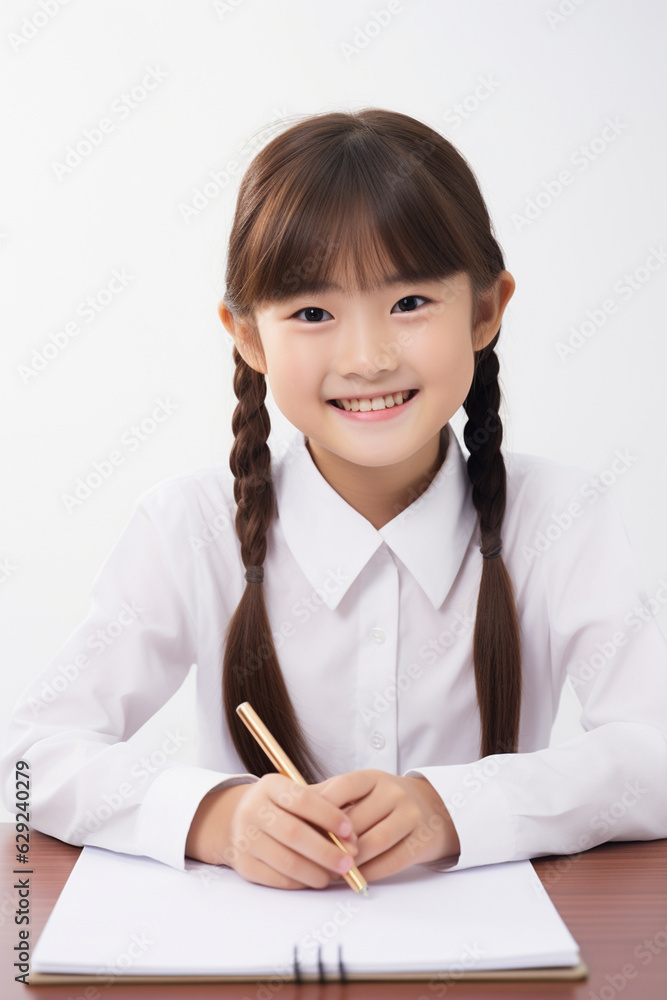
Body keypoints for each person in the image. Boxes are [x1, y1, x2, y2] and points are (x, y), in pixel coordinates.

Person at [3, 108, 666, 893]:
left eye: (409, 302)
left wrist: (451, 809)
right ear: (248, 337)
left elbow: (653, 751)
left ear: (485, 310)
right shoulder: (188, 527)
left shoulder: (559, 516)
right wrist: (217, 818)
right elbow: (29, 761)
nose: (367, 358)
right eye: (313, 313)